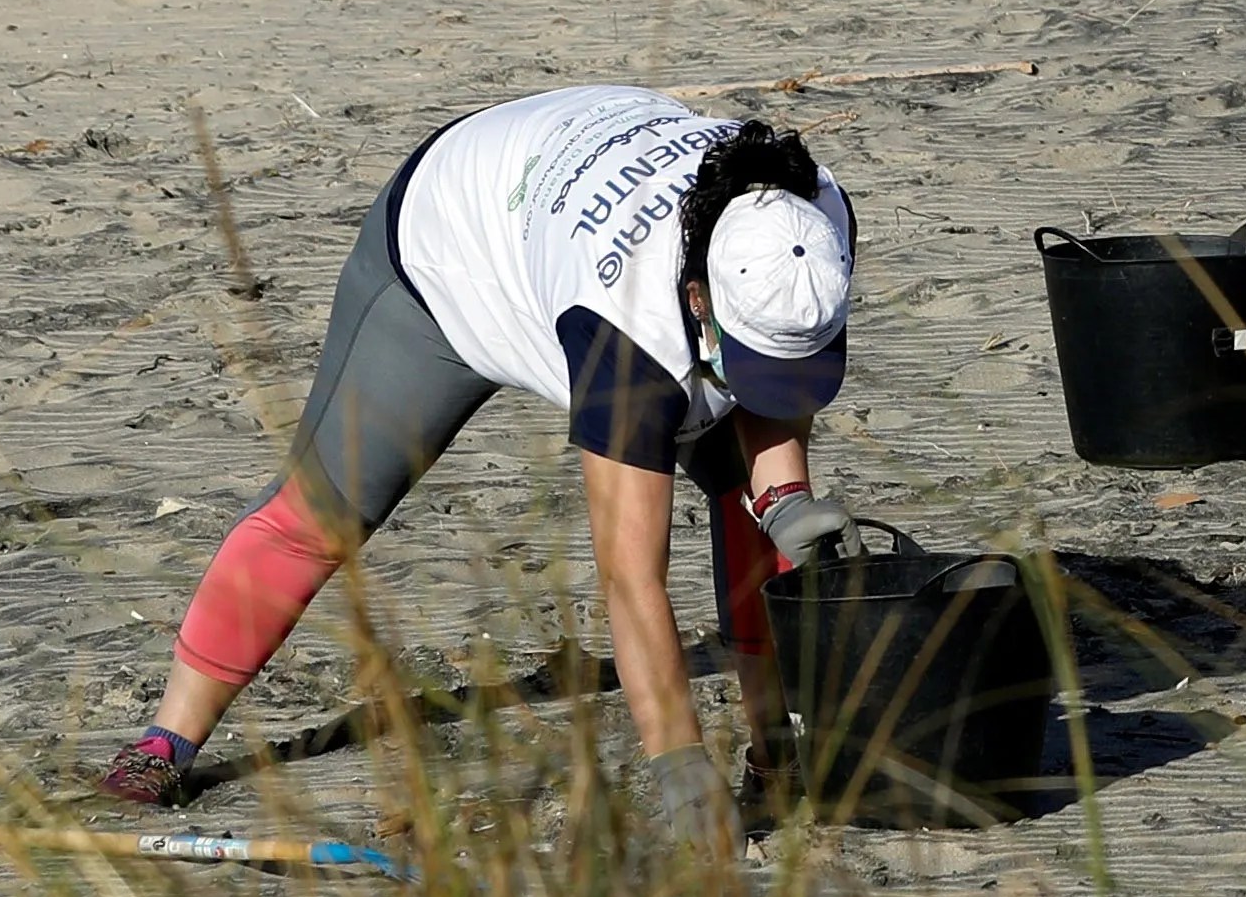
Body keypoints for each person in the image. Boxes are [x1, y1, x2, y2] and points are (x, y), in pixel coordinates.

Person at [95, 86, 858, 817]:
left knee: (752, 508)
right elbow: (631, 583)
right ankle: (166, 740)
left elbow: (775, 398)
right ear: (699, 298)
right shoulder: (625, 330)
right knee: (323, 514)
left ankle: (776, 758)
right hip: (454, 252)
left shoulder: (809, 225)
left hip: (578, 181)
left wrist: (784, 500)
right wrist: (682, 774)